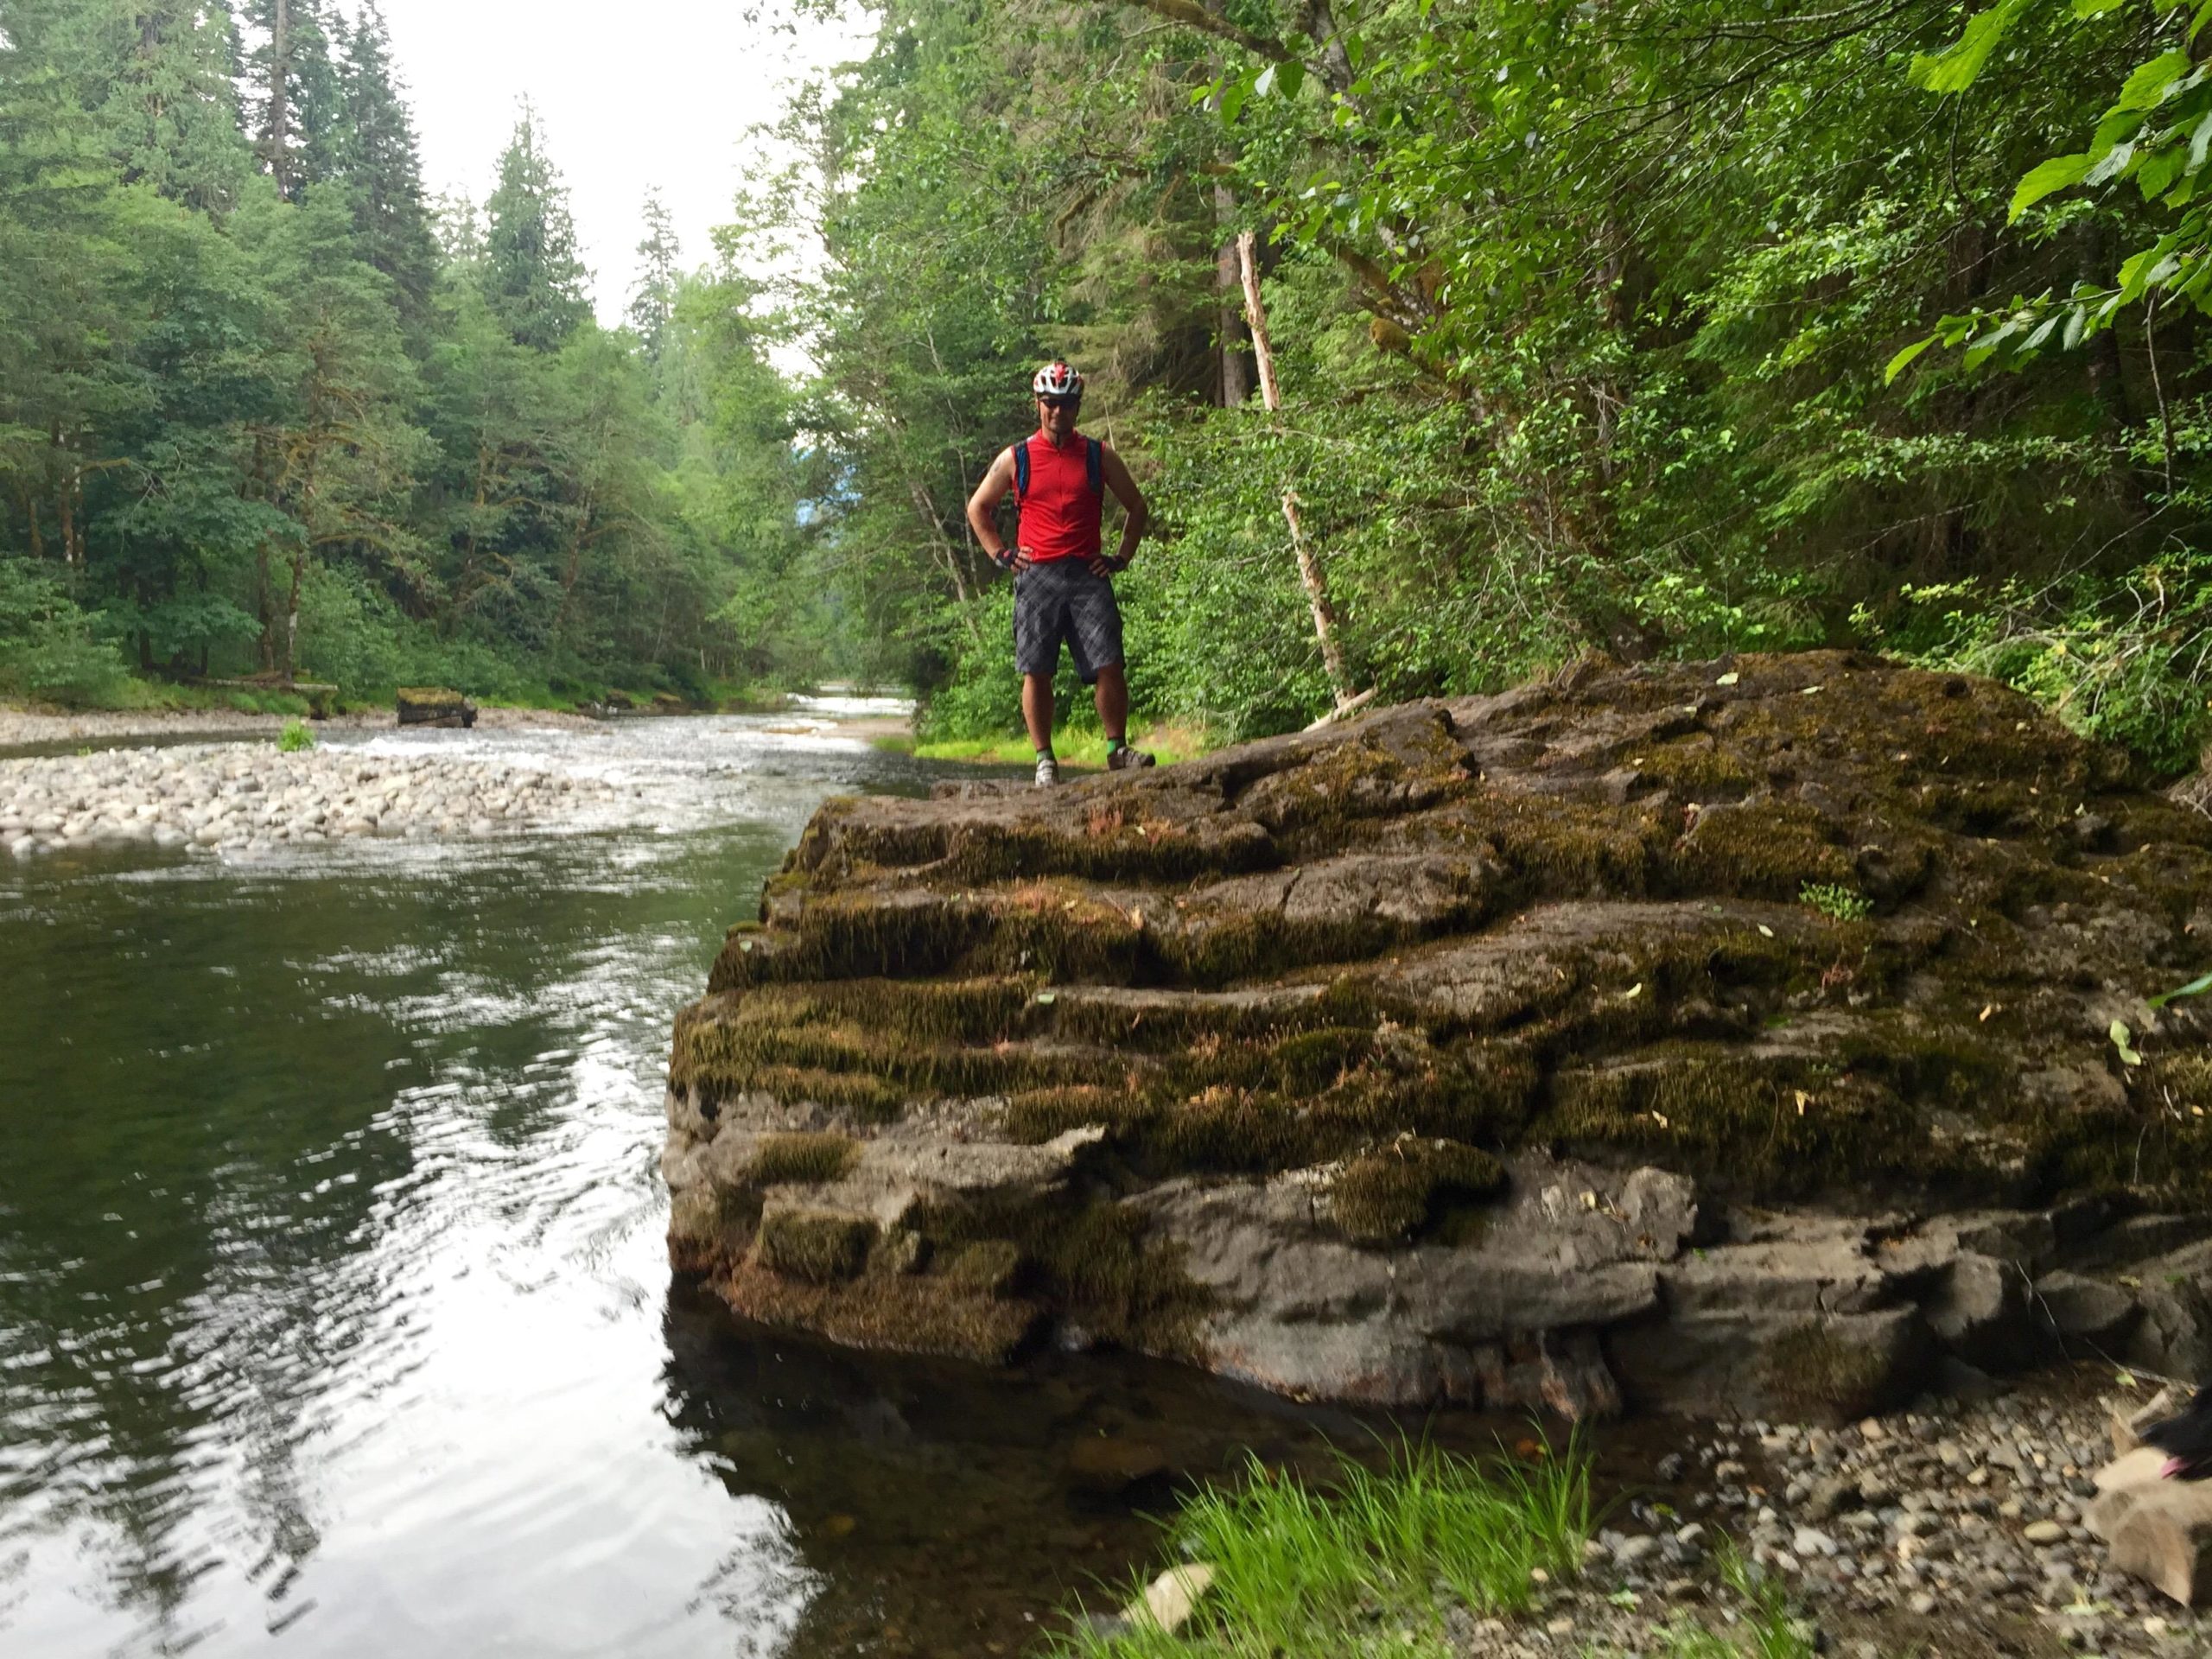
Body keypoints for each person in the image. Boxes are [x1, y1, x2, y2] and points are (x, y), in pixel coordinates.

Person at [965, 360, 1154, 787]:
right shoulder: (1016, 458)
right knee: (1037, 669)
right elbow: (978, 508)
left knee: (1110, 663)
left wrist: (1122, 556)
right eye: (1050, 404)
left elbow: (1137, 508)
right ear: (1038, 404)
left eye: (1066, 404)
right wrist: (1000, 554)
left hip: (1088, 572)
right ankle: (1044, 760)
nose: (1058, 412)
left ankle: (1116, 749)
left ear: (1077, 406)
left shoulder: (1097, 454)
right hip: (1037, 575)